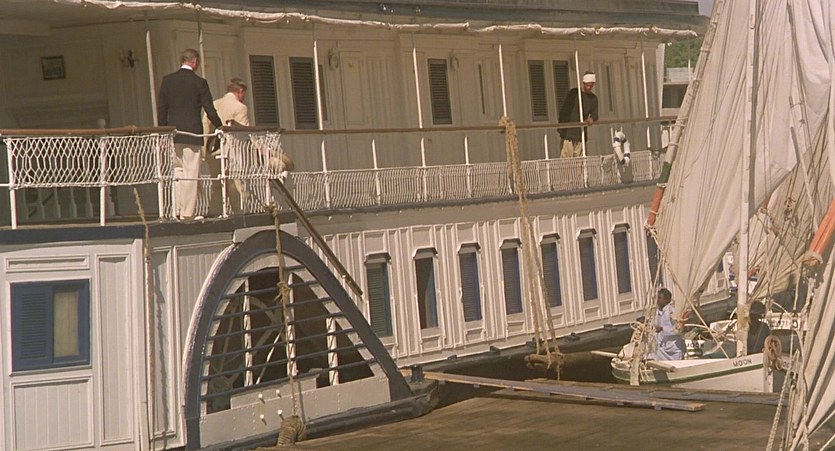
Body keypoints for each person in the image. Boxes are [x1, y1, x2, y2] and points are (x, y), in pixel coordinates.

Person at [157, 48, 222, 220]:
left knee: (178, 172)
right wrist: (220, 126)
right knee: (191, 172)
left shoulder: (168, 80)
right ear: (195, 62)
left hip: (173, 133)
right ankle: (188, 213)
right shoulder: (199, 82)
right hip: (193, 133)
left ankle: (177, 210)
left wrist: (163, 132)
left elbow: (162, 108)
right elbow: (209, 109)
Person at [203, 78, 251, 214]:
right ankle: (240, 212)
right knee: (236, 182)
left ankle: (214, 213)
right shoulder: (240, 107)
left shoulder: (214, 104)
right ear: (240, 91)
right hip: (232, 150)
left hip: (213, 148)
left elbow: (205, 127)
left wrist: (204, 150)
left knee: (218, 185)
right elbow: (244, 133)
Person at [558, 71, 599, 158]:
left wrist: (591, 119)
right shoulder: (574, 93)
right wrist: (561, 127)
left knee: (580, 162)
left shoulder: (593, 98)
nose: (589, 87)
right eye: (587, 85)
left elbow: (595, 114)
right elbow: (564, 110)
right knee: (566, 161)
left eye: (591, 85)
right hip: (568, 134)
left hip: (581, 134)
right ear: (583, 83)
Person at [649, 288, 686, 360]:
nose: (657, 300)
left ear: (666, 300)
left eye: (660, 298)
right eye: (657, 298)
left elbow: (678, 329)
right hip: (664, 345)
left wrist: (662, 329)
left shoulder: (671, 311)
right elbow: (655, 324)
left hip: (674, 348)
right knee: (651, 354)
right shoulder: (658, 312)